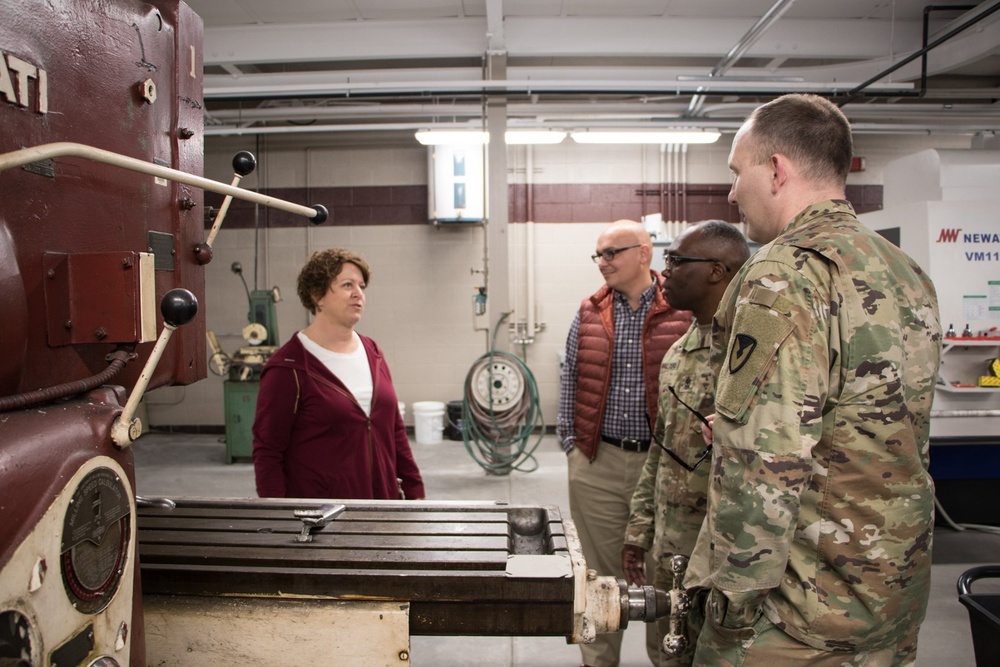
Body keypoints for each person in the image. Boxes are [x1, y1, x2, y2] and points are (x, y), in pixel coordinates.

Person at [687, 93, 942, 665]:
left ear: (777, 169)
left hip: (800, 616)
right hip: (891, 596)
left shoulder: (784, 271)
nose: (731, 193)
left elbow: (764, 464)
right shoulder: (903, 269)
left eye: (736, 172)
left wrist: (729, 611)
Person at [558, 219, 692, 667]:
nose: (603, 262)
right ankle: (599, 663)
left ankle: (665, 659)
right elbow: (570, 375)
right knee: (597, 576)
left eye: (612, 252)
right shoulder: (590, 310)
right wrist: (570, 443)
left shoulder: (683, 309)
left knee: (664, 576)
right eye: (598, 254)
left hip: (666, 469)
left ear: (644, 252)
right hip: (600, 462)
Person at [622, 220, 750, 667]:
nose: (664, 272)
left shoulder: (750, 355)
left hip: (723, 557)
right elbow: (661, 450)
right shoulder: (679, 353)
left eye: (676, 261)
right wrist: (640, 530)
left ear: (717, 271)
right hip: (672, 548)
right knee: (667, 651)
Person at [252, 247, 425, 501]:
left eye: (362, 286)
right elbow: (268, 452)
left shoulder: (372, 352)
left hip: (385, 507)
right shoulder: (289, 367)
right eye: (347, 285)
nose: (359, 294)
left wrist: (414, 491)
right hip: (323, 517)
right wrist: (278, 516)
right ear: (317, 295)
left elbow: (395, 431)